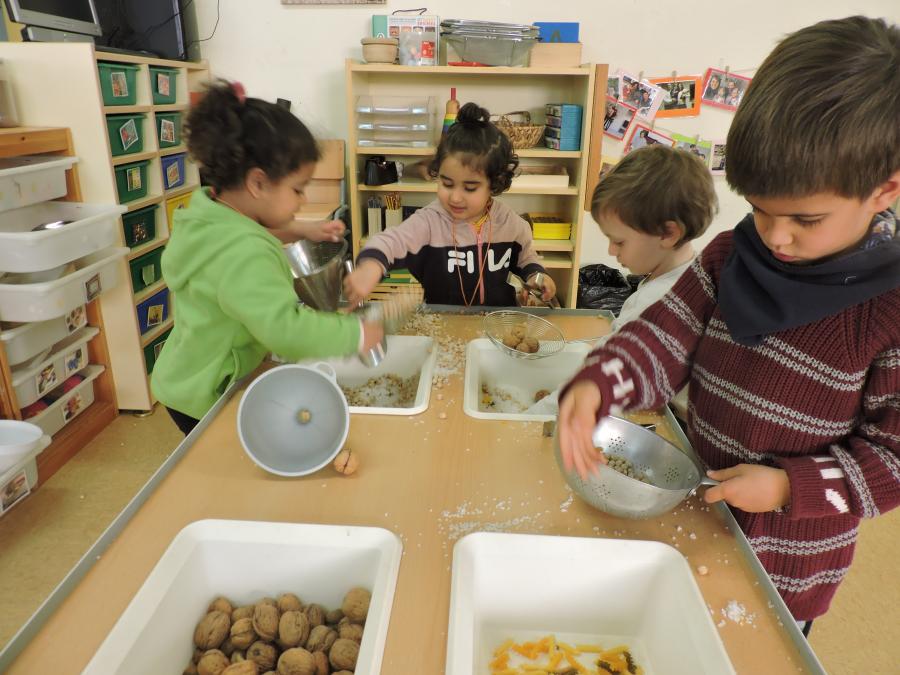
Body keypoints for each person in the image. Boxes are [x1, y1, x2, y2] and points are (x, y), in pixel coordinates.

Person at [557, 16, 900, 633]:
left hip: (786, 563)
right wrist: (600, 381)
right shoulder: (731, 255)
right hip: (695, 510)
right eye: (760, 209)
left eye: (805, 219)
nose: (776, 238)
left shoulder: (888, 310)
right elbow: (663, 337)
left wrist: (787, 488)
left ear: (884, 191)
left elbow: (893, 459)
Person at [151, 80, 384, 435]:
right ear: (257, 183)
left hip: (185, 373)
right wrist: (354, 334)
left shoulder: (208, 214)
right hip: (207, 393)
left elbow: (246, 234)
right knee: (226, 455)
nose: (303, 200)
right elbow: (285, 330)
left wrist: (302, 230)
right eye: (298, 189)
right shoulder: (243, 254)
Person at [528, 145, 715, 415]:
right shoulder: (690, 273)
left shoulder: (656, 302)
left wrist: (529, 416)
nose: (610, 251)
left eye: (618, 241)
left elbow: (593, 384)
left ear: (668, 234)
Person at [344, 103, 555, 307]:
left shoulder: (509, 223)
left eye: (469, 188)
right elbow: (390, 242)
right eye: (447, 184)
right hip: (441, 321)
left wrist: (538, 277)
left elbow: (527, 259)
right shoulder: (428, 222)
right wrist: (370, 266)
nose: (455, 197)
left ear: (494, 183)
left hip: (498, 321)